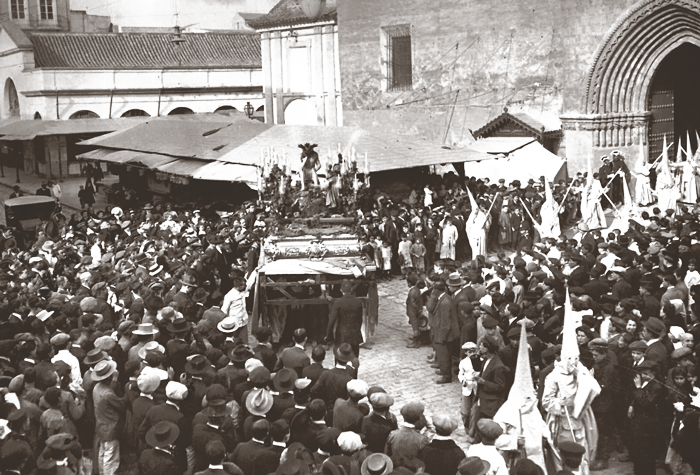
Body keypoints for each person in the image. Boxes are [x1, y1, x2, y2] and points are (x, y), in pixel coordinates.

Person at [326, 280, 364, 357]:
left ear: (341, 290)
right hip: (354, 334)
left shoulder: (338, 302)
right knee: (354, 359)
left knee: (340, 359)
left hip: (341, 335)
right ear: (351, 289)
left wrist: (328, 336)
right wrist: (357, 330)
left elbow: (332, 320)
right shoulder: (358, 302)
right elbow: (360, 319)